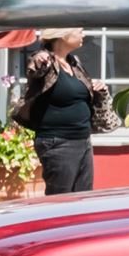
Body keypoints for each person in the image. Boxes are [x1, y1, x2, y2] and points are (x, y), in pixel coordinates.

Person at [18, 27, 108, 195]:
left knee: (84, 198)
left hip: (83, 140)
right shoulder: (45, 61)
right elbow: (34, 67)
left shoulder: (73, 63)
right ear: (63, 34)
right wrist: (38, 59)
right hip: (58, 142)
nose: (84, 34)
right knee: (60, 200)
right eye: (80, 31)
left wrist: (97, 87)